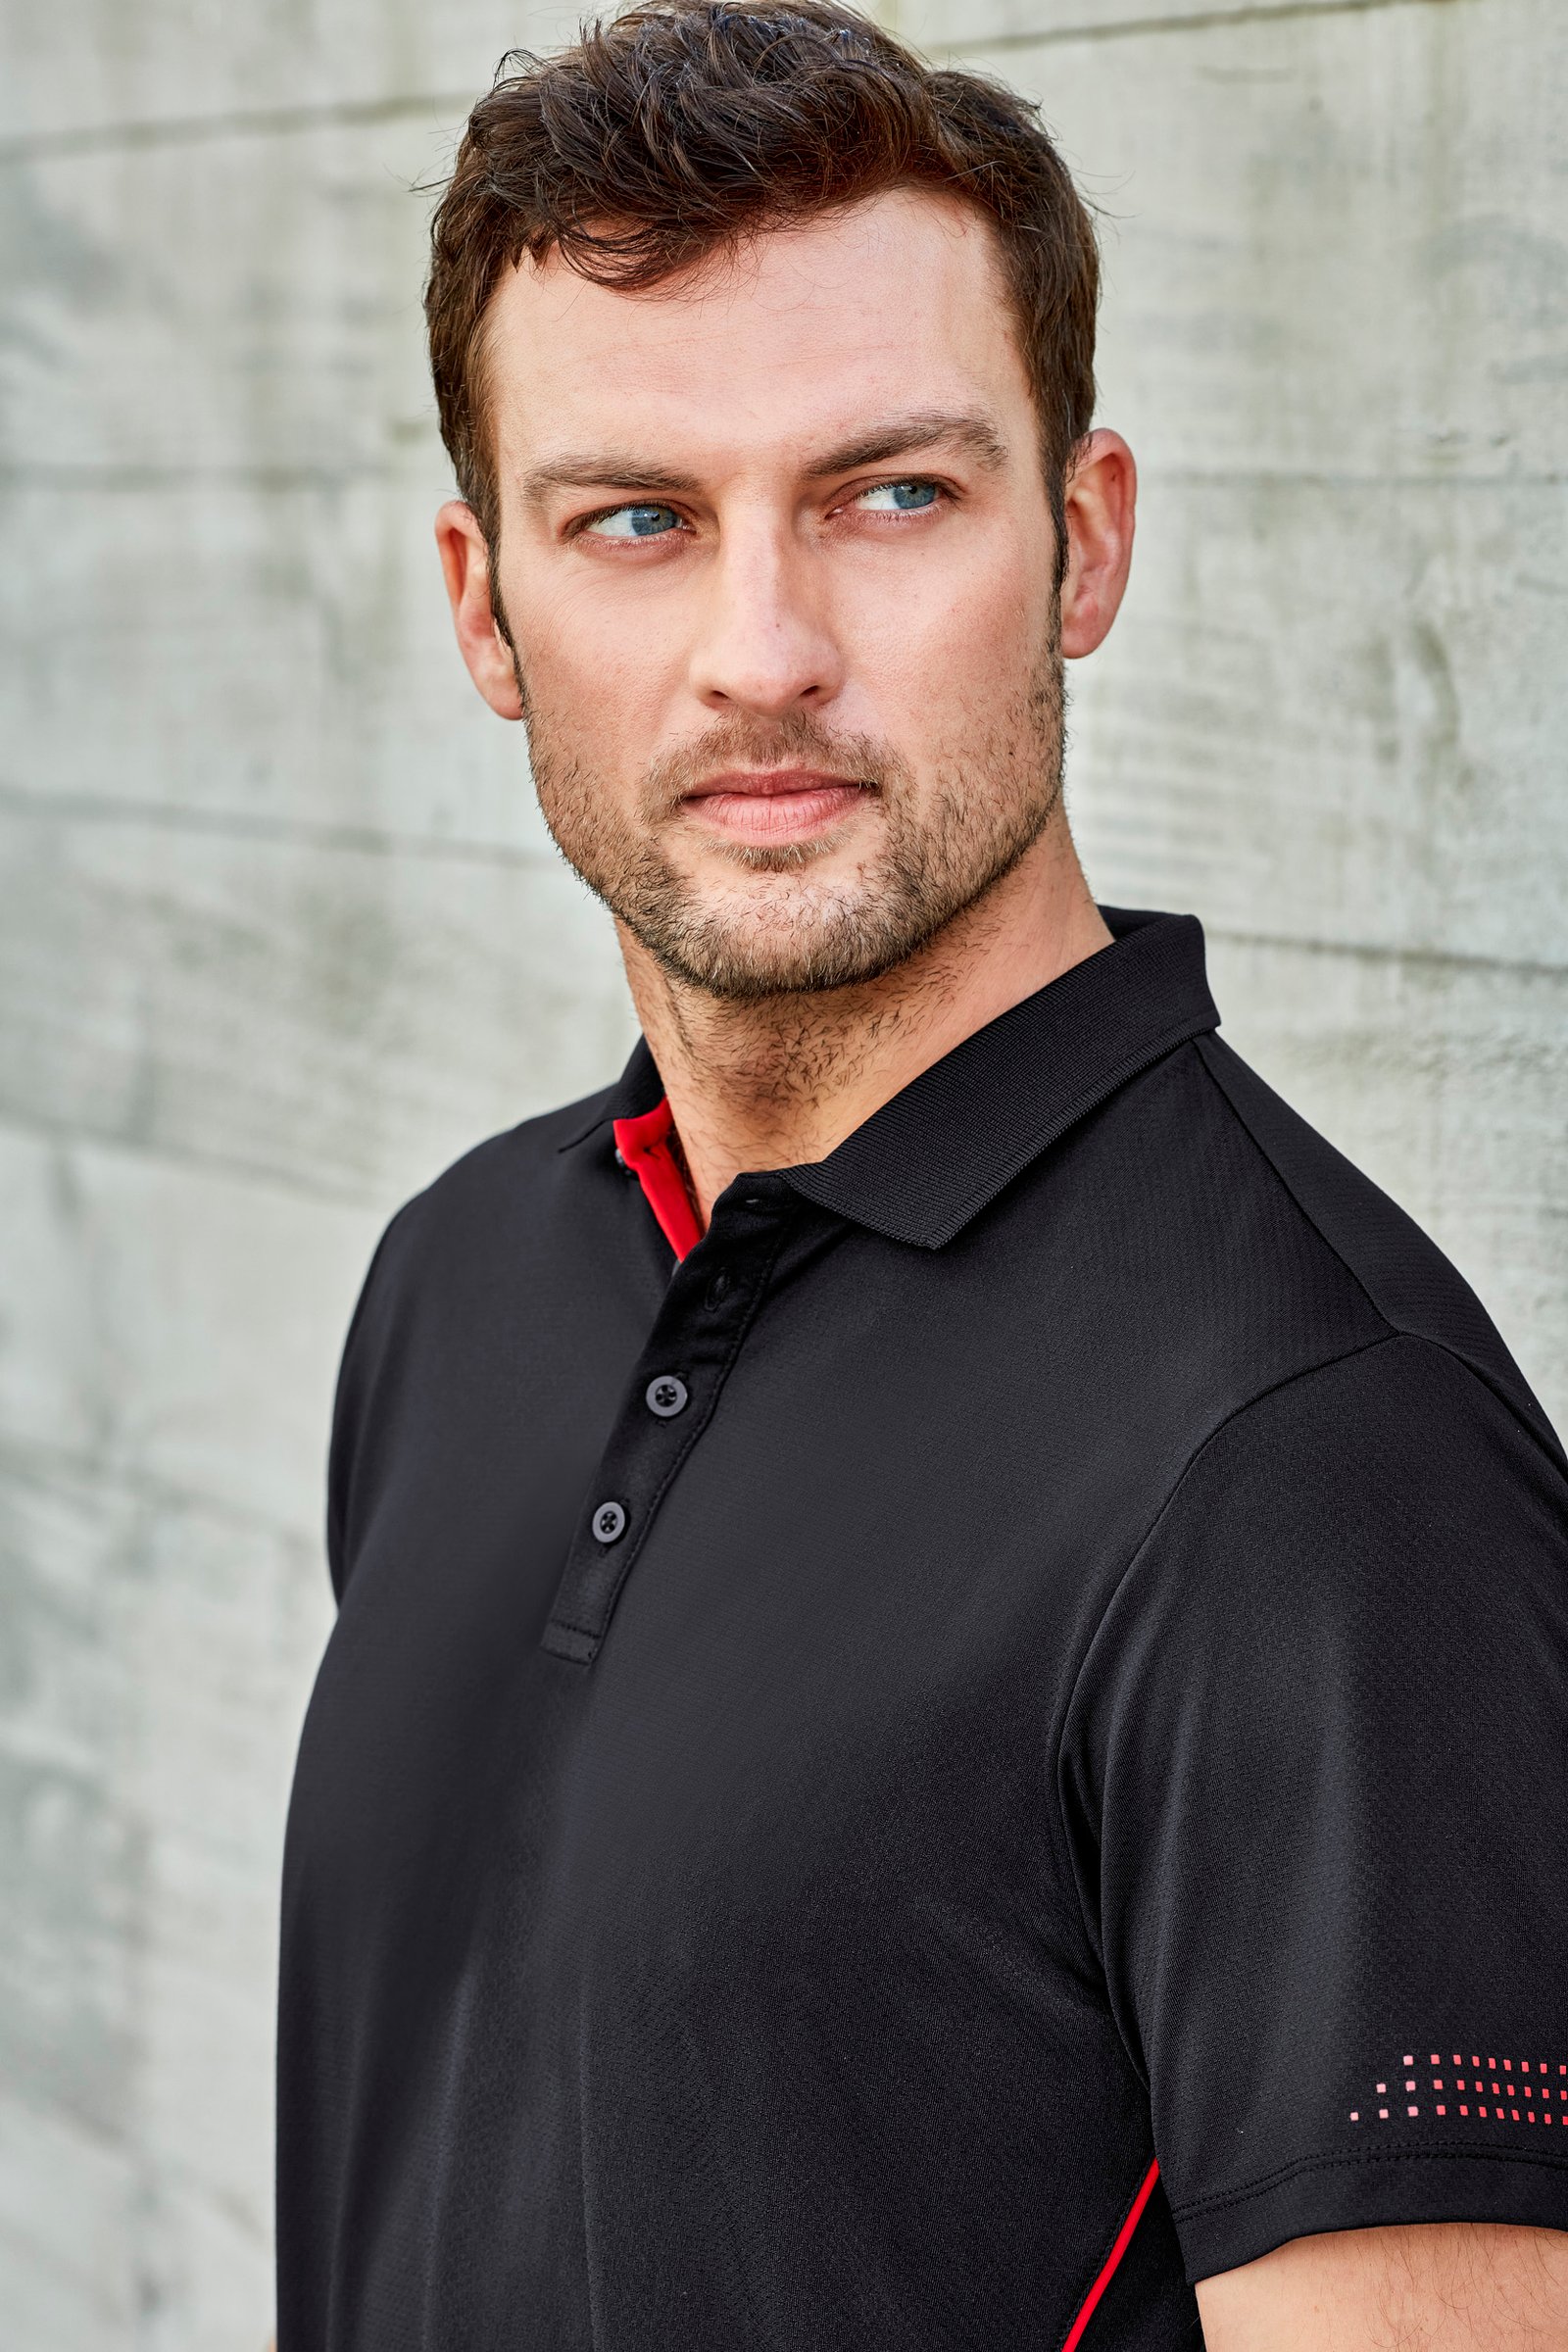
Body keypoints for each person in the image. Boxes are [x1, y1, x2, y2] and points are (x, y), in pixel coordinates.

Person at [274, 5, 1568, 2344]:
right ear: (484, 605)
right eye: (637, 520)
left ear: (1081, 543)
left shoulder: (1316, 1462)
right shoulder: (459, 1281)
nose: (761, 655)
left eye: (887, 495)